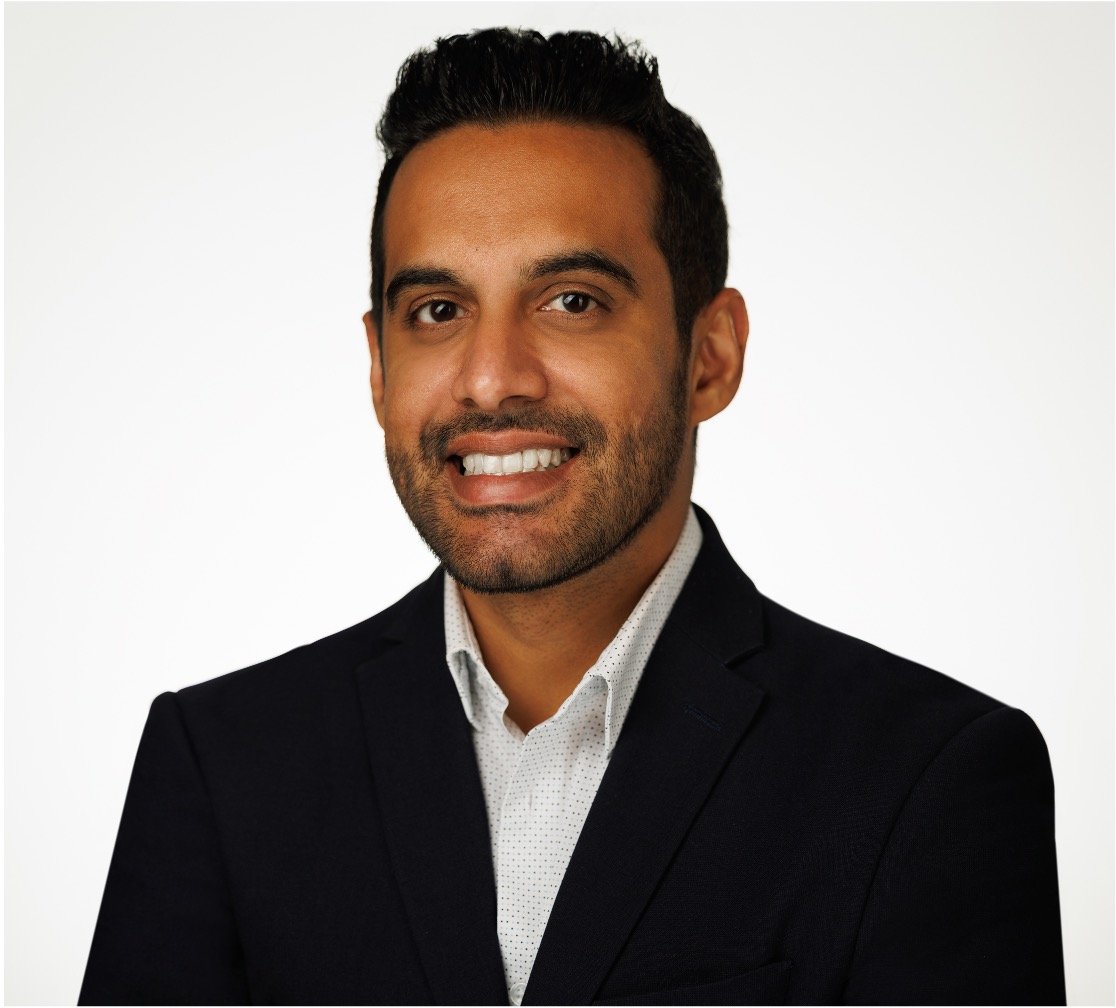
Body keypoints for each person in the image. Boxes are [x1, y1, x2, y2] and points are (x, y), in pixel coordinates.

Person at [79, 28, 1065, 1006]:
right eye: (437, 311)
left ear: (710, 356)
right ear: (378, 367)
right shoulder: (223, 767)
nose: (491, 378)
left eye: (572, 302)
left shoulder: (926, 781)